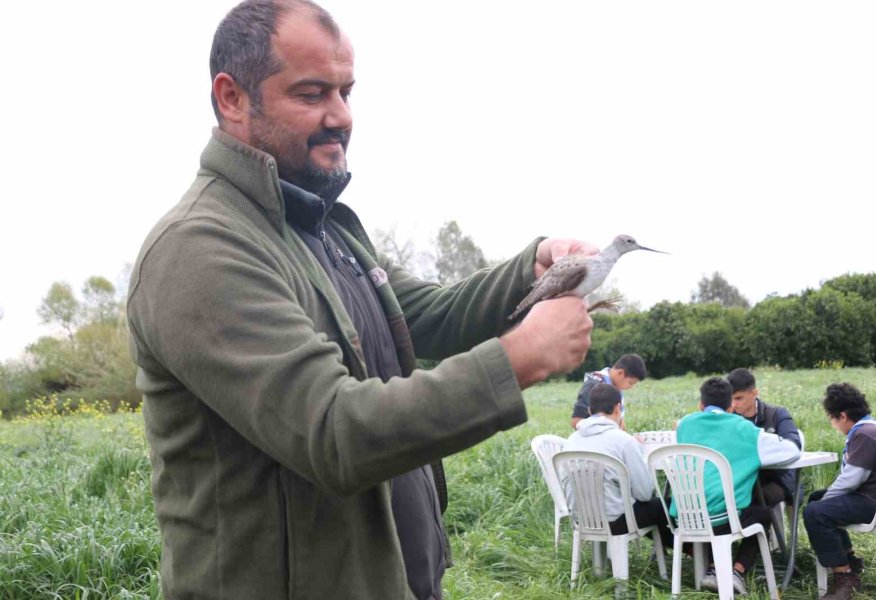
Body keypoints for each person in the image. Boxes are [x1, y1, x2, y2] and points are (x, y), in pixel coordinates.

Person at [126, 1, 596, 598]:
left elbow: (424, 314)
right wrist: (521, 357)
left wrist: (531, 270)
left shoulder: (321, 227)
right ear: (232, 97)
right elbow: (333, 429)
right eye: (312, 94)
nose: (341, 116)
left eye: (346, 92)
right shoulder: (199, 248)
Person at [676, 377, 800, 595]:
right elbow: (792, 451)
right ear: (730, 407)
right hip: (723, 520)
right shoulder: (744, 429)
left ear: (701, 405)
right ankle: (737, 571)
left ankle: (713, 567)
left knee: (691, 503)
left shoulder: (683, 425)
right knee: (761, 514)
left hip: (685, 518)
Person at [803, 383, 876, 600]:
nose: (833, 424)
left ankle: (845, 576)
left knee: (815, 512)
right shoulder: (872, 428)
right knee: (816, 499)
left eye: (831, 418)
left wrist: (824, 502)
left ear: (843, 416)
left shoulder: (865, 435)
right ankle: (849, 558)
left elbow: (850, 481)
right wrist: (824, 499)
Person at [562, 382, 673, 547]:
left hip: (581, 519)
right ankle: (695, 550)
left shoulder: (571, 440)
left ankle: (682, 551)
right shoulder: (624, 441)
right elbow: (644, 494)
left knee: (648, 508)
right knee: (668, 505)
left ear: (590, 410)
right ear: (618, 408)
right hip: (616, 521)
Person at [727, 368, 802, 506]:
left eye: (738, 398)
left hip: (778, 479)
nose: (733, 404)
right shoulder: (728, 419)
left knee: (755, 500)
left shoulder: (777, 414)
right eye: (730, 399)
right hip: (743, 480)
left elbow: (794, 443)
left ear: (754, 393)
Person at [570, 353, 646, 430]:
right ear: (620, 373)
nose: (631, 387)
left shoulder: (617, 388)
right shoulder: (593, 386)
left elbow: (620, 424)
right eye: (630, 383)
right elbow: (576, 421)